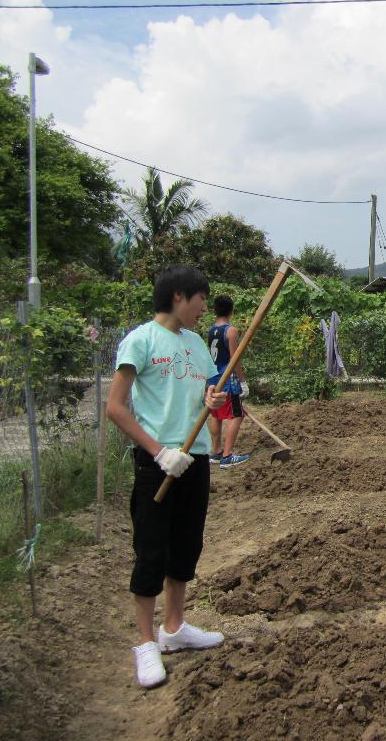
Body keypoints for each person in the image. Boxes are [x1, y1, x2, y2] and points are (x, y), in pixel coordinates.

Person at [107, 265, 227, 689]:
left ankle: (174, 628)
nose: (202, 309)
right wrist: (159, 453)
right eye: (200, 300)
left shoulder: (195, 343)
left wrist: (210, 399)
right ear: (179, 296)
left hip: (194, 459)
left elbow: (201, 395)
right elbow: (116, 406)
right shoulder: (140, 340)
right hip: (157, 463)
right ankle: (145, 643)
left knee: (186, 545)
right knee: (151, 551)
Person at [206, 295, 250, 469]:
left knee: (215, 415)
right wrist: (243, 382)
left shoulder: (211, 330)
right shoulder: (230, 331)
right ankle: (227, 456)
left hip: (213, 379)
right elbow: (234, 359)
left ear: (214, 310)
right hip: (227, 380)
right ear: (231, 311)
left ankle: (216, 452)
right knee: (237, 415)